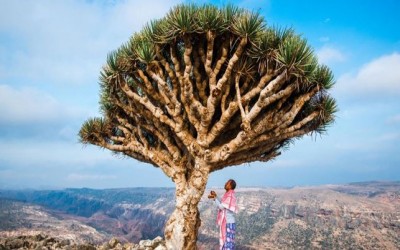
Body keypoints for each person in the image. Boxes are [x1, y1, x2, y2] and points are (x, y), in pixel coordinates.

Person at [208, 179, 237, 250]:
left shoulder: (230, 195)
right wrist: (216, 196)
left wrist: (214, 198)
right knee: (226, 243)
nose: (225, 183)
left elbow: (221, 206)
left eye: (227, 183)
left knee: (228, 244)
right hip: (228, 222)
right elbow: (222, 203)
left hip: (228, 223)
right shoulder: (227, 194)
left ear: (230, 186)